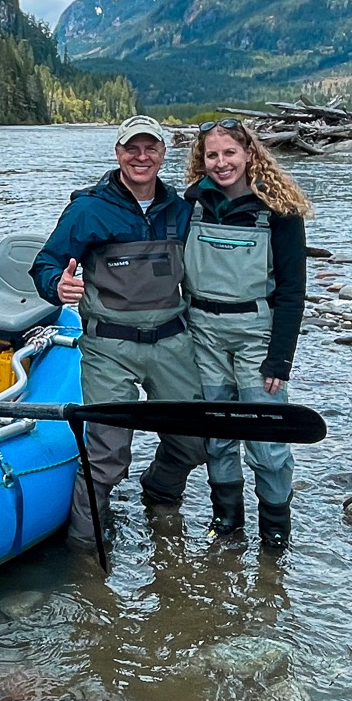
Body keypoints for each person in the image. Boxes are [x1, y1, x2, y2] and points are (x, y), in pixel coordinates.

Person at [31, 115, 204, 552]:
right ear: (118, 153)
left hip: (173, 341)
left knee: (194, 443)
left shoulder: (183, 210)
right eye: (132, 148)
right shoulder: (88, 208)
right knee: (106, 457)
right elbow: (46, 263)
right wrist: (58, 285)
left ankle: (160, 492)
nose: (141, 157)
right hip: (109, 346)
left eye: (150, 148)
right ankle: (87, 554)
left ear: (164, 154)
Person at [149, 117, 311, 553]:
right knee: (218, 435)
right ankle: (227, 522)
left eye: (229, 153)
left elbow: (293, 292)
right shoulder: (192, 204)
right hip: (203, 334)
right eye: (212, 155)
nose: (221, 163)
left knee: (267, 442)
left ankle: (275, 529)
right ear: (201, 160)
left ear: (249, 154)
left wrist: (281, 359)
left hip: (257, 337)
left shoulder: (279, 212)